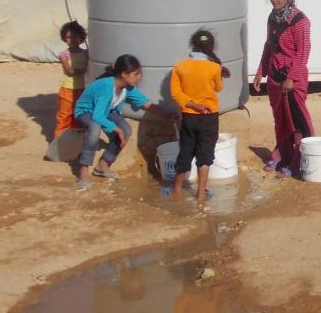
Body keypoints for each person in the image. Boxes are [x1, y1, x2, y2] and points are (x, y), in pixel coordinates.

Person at [72, 54, 167, 191]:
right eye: (136, 74)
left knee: (126, 129)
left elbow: (145, 103)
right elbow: (97, 116)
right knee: (94, 127)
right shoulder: (106, 86)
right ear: (124, 74)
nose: (138, 77)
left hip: (107, 111)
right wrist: (116, 129)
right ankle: (83, 171)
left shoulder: (127, 88)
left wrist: (165, 115)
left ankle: (103, 166)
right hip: (87, 111)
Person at [252, 0, 313, 177]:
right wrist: (261, 71)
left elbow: (303, 52)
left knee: (297, 122)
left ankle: (299, 161)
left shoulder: (300, 21)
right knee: (280, 121)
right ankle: (282, 156)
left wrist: (292, 78)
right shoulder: (273, 17)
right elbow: (269, 45)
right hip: (275, 79)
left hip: (292, 82)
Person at [170, 28, 231, 201]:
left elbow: (175, 93)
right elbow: (218, 88)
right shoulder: (214, 67)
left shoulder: (180, 66)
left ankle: (176, 190)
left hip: (189, 115)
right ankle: (201, 193)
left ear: (191, 45)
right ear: (212, 47)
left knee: (185, 151)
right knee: (205, 155)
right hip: (209, 115)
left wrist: (192, 104)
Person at [54, 21, 88, 138]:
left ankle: (75, 143)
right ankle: (58, 143)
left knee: (78, 115)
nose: (72, 39)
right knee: (64, 116)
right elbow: (70, 71)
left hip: (82, 90)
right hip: (67, 89)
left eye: (75, 36)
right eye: (68, 37)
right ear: (64, 39)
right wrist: (84, 69)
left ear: (81, 37)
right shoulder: (64, 54)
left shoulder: (86, 53)